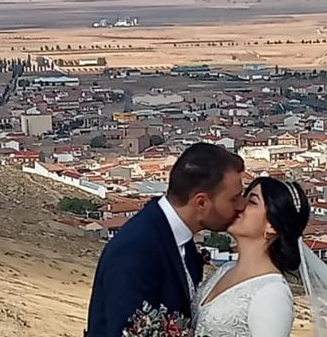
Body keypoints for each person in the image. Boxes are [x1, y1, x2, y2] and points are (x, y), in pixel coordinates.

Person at [85, 143, 246, 337]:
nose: (242, 205)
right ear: (201, 202)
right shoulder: (135, 251)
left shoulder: (178, 240)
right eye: (234, 198)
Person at [194, 176, 310, 336]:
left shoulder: (272, 294)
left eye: (252, 202)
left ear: (272, 226)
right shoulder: (225, 269)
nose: (240, 205)